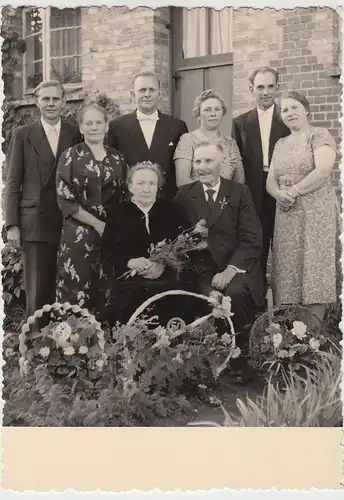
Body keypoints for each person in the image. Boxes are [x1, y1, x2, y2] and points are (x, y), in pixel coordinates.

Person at [4, 80, 81, 329]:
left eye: (55, 99)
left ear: (64, 102)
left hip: (67, 220)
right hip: (34, 221)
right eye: (45, 99)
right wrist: (12, 224)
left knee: (65, 286)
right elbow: (12, 183)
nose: (51, 104)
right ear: (37, 102)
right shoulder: (23, 135)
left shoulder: (73, 132)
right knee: (37, 291)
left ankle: (63, 346)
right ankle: (35, 347)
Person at [173, 141, 264, 349]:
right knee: (204, 297)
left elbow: (252, 238)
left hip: (236, 265)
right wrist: (192, 242)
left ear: (221, 164)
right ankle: (207, 354)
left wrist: (230, 271)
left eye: (208, 161)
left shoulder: (239, 192)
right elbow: (177, 236)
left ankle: (239, 350)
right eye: (197, 161)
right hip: (202, 267)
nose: (202, 167)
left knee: (235, 294)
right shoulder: (184, 195)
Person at [266, 91, 340, 321]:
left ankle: (314, 338)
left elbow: (323, 171)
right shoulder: (280, 143)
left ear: (306, 109)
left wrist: (294, 191)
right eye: (284, 110)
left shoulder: (319, 135)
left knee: (314, 269)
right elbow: (270, 178)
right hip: (287, 213)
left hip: (315, 211)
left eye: (294, 107)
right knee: (289, 271)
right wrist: (278, 194)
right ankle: (291, 340)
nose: (289, 113)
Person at [101, 161, 193, 325]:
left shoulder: (172, 211)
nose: (146, 188)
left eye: (151, 183)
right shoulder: (118, 213)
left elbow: (184, 245)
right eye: (140, 183)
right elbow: (107, 250)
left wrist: (163, 264)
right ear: (130, 186)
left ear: (158, 186)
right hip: (132, 280)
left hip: (168, 277)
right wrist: (130, 262)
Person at [55, 103, 127, 311]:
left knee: (108, 285)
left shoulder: (117, 157)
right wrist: (97, 224)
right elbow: (65, 200)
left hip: (110, 231)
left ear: (106, 127)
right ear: (81, 128)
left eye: (98, 123)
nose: (94, 127)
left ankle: (105, 339)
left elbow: (124, 195)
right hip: (79, 232)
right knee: (76, 286)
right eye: (89, 123)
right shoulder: (69, 156)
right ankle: (73, 340)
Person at [232, 67, 290, 294]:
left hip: (282, 191)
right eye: (260, 87)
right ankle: (257, 307)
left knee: (285, 249)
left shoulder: (286, 117)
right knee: (257, 248)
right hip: (253, 192)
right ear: (251, 89)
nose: (265, 92)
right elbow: (238, 163)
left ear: (277, 88)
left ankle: (286, 307)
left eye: (270, 86)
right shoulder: (240, 123)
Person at [107, 71, 188, 200]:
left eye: (152, 90)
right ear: (133, 94)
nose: (147, 94)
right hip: (130, 202)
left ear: (159, 94)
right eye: (142, 90)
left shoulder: (177, 126)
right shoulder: (116, 127)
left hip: (167, 202)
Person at [174, 89, 244, 186]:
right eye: (207, 110)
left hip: (228, 199)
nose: (213, 114)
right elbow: (182, 180)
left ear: (223, 112)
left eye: (217, 109)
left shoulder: (230, 143)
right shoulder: (188, 140)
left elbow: (240, 179)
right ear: (198, 113)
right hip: (197, 199)